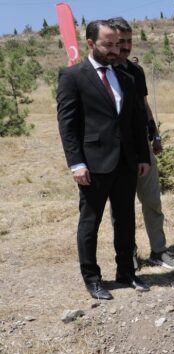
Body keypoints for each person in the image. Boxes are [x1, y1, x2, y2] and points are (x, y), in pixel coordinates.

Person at [57, 20, 150, 299]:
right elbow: (68, 125)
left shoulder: (126, 78)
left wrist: (142, 156)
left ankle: (126, 272)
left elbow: (136, 121)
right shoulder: (73, 76)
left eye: (117, 44)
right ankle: (93, 278)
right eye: (107, 45)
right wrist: (76, 163)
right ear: (90, 43)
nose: (114, 50)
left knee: (125, 220)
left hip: (126, 163)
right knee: (90, 222)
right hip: (93, 164)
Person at [109, 17, 174, 270]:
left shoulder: (135, 70)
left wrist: (155, 134)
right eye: (121, 41)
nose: (126, 46)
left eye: (129, 41)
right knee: (122, 207)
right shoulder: (104, 73)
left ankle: (159, 251)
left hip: (143, 146)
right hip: (117, 151)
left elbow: (143, 105)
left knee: (152, 201)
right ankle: (128, 253)